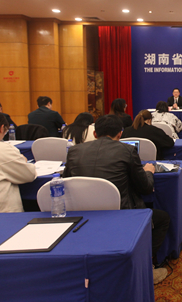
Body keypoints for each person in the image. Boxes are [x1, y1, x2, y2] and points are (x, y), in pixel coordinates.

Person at [63, 114, 170, 284]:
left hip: (82, 215)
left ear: (95, 134)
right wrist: (149, 172)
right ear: (120, 134)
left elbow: (66, 182)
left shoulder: (74, 151)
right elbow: (145, 188)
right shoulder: (127, 150)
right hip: (121, 213)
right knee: (162, 219)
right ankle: (145, 268)